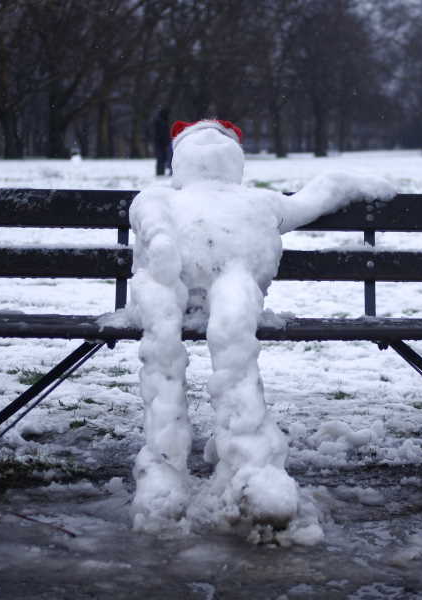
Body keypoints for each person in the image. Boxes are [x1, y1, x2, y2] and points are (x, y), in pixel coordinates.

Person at [127, 119, 395, 535]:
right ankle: (253, 469)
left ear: (181, 159)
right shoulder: (261, 202)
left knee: (163, 366)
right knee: (237, 353)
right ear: (235, 159)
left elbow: (148, 217)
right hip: (233, 284)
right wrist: (356, 182)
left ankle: (162, 478)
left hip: (168, 289)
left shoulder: (162, 197)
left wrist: (161, 240)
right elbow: (316, 197)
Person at [151, 108, 172, 176]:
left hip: (161, 142)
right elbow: (162, 133)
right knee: (161, 158)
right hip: (161, 143)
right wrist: (167, 141)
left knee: (161, 158)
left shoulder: (160, 121)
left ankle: (160, 172)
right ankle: (160, 173)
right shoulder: (161, 122)